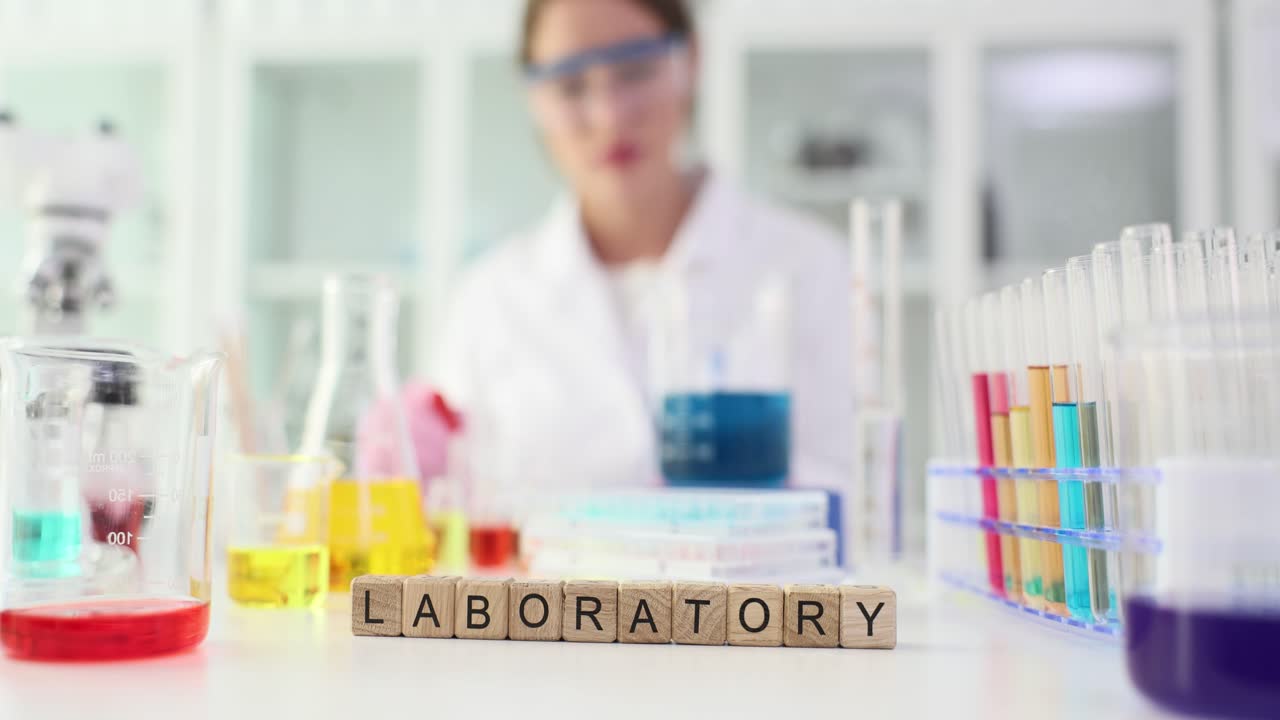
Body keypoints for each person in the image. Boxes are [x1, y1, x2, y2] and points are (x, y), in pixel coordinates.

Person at [435, 0, 852, 492]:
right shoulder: (489, 301)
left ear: (690, 59)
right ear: (533, 99)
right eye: (571, 86)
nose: (609, 115)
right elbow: (455, 504)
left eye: (635, 70)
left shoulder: (809, 267)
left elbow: (852, 494)